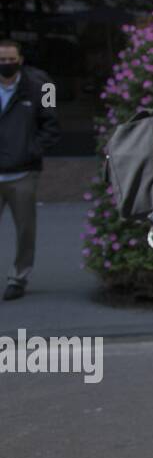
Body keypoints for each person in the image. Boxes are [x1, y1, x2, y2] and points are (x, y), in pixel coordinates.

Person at [0, 39, 60, 301]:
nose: (5, 64)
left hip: (23, 172)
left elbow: (52, 124)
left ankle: (19, 277)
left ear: (21, 59)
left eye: (10, 59)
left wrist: (32, 151)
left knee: (25, 229)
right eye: (1, 60)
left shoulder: (43, 84)